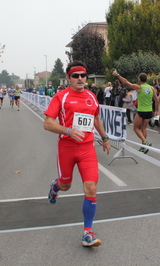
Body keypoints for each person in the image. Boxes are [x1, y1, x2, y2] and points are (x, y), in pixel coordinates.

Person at [43, 61, 110, 247]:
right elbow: (47, 123)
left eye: (83, 75)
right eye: (75, 75)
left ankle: (87, 232)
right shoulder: (61, 97)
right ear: (68, 78)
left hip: (87, 148)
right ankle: (55, 186)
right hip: (67, 147)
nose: (80, 78)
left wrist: (104, 138)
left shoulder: (91, 96)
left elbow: (96, 118)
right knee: (66, 185)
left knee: (91, 188)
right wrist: (67, 130)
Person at [112, 69, 159, 154]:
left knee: (136, 128)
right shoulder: (151, 88)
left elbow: (126, 82)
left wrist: (117, 75)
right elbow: (156, 99)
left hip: (141, 111)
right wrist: (156, 110)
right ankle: (143, 146)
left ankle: (145, 142)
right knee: (144, 128)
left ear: (139, 79)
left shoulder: (139, 87)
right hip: (149, 111)